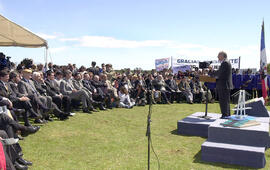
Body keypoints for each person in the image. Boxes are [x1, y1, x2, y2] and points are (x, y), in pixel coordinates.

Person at [210, 51, 233, 118]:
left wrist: (211, 71)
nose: (217, 57)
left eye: (218, 55)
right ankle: (227, 115)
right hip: (225, 85)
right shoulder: (226, 62)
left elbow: (219, 73)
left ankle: (225, 115)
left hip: (224, 85)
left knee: (223, 101)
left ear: (222, 56)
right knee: (226, 101)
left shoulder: (225, 63)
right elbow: (220, 73)